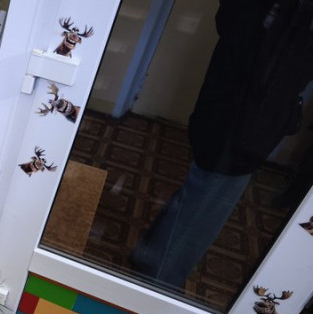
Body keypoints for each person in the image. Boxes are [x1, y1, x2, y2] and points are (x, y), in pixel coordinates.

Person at [130, 0, 313, 289]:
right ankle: (154, 286)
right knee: (204, 206)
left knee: (200, 193)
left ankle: (148, 262)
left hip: (236, 107)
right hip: (244, 118)